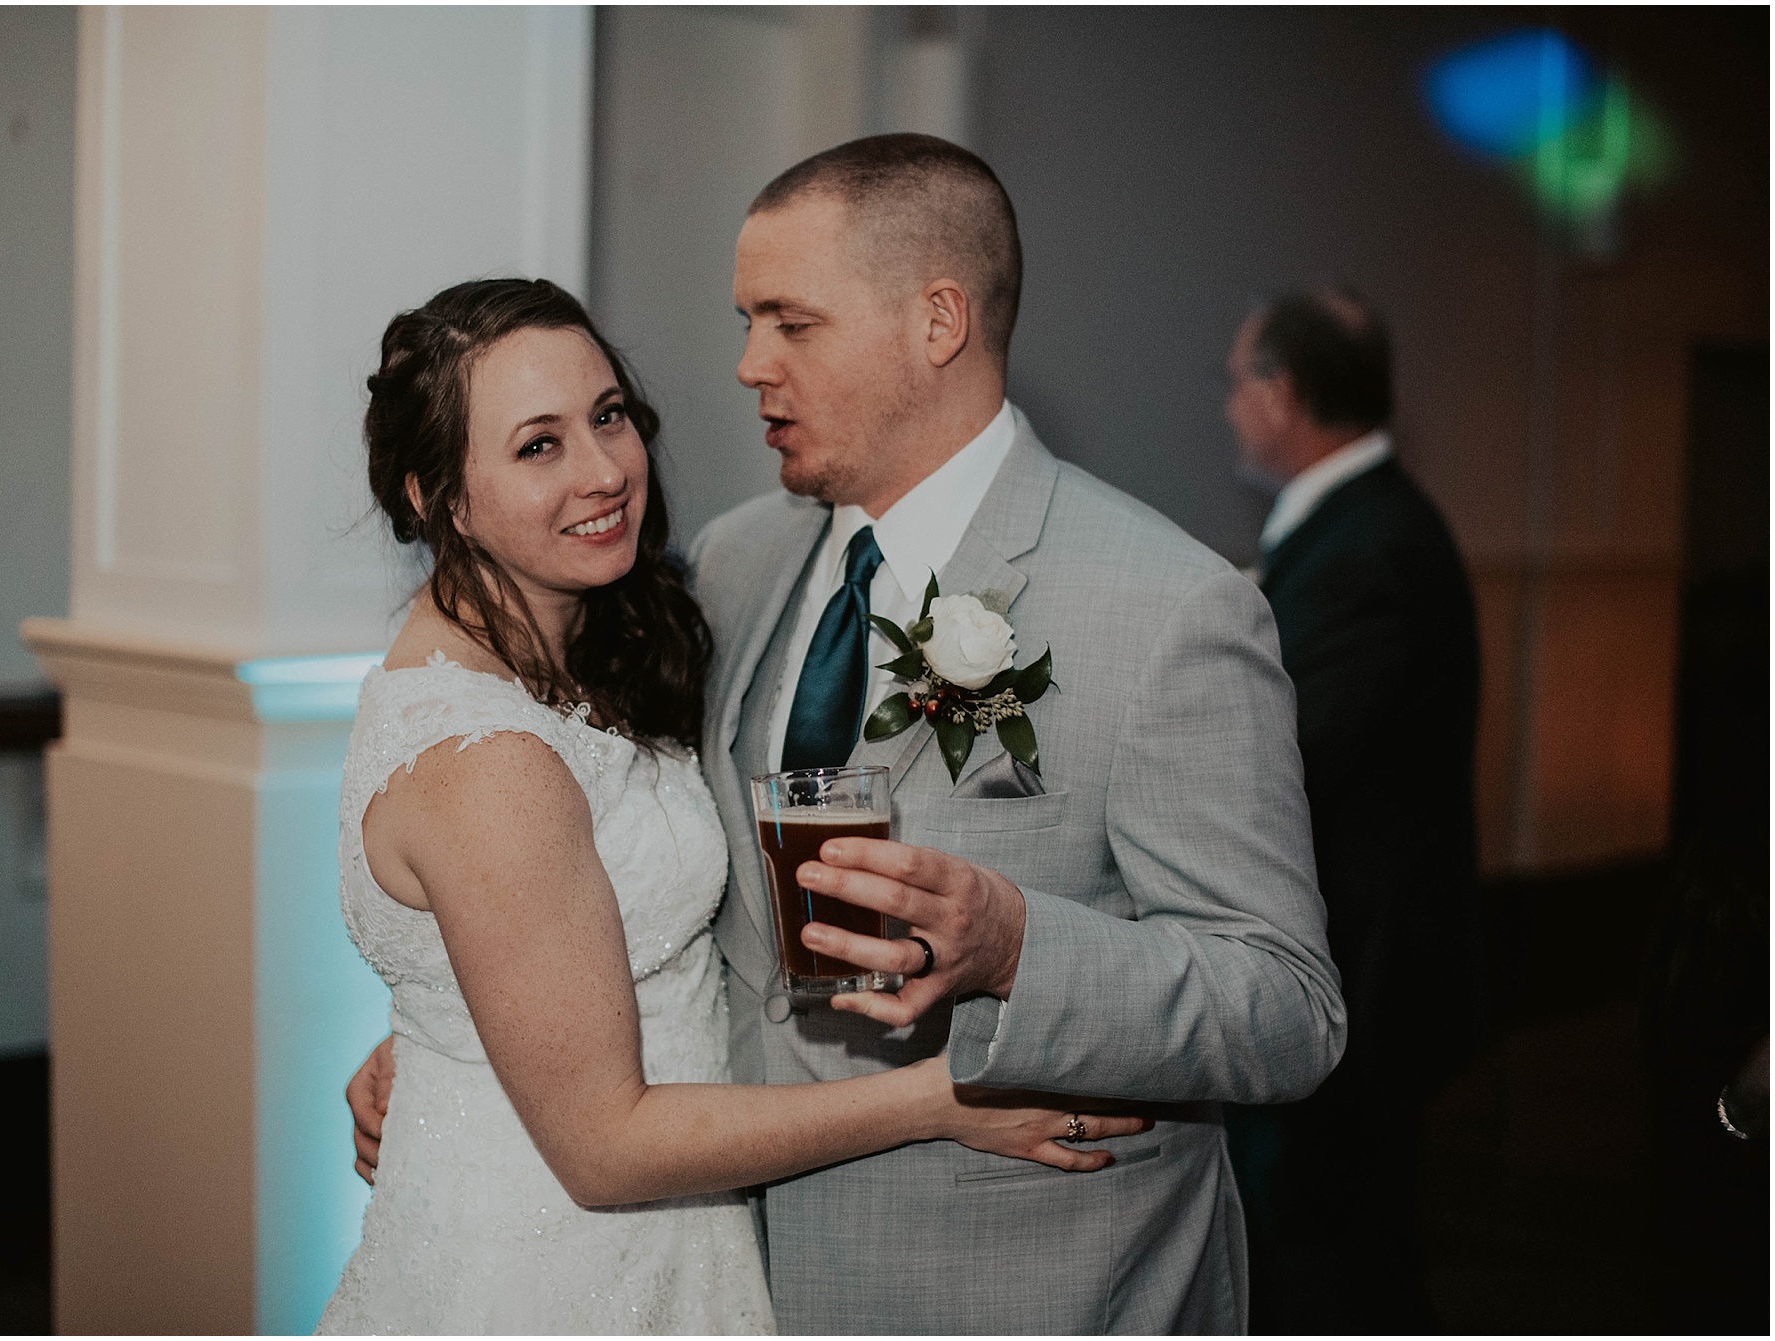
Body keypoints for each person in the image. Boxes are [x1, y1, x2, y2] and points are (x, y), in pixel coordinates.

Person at [353, 136, 1345, 1333]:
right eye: (744, 321)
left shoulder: (1166, 609)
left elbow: (1288, 1010)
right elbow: (594, 870)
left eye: (788, 323)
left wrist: (1021, 946)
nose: (744, 365)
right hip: (728, 1265)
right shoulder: (733, 559)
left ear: (934, 322)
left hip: (1023, 1286)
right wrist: (466, 1036)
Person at [316, 277, 1151, 1334]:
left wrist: (455, 1028)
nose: (604, 470)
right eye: (538, 445)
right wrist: (944, 1098)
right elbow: (605, 1149)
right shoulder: (489, 759)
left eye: (607, 416)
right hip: (554, 1262)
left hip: (668, 1228)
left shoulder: (606, 632)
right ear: (435, 496)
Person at [1221, 289, 1484, 1331]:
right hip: (1360, 963)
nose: (1229, 408)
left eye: (1235, 382)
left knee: (1326, 1269)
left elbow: (1285, 754)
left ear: (1281, 394)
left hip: (1358, 978)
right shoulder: (1354, 527)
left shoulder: (1367, 550)